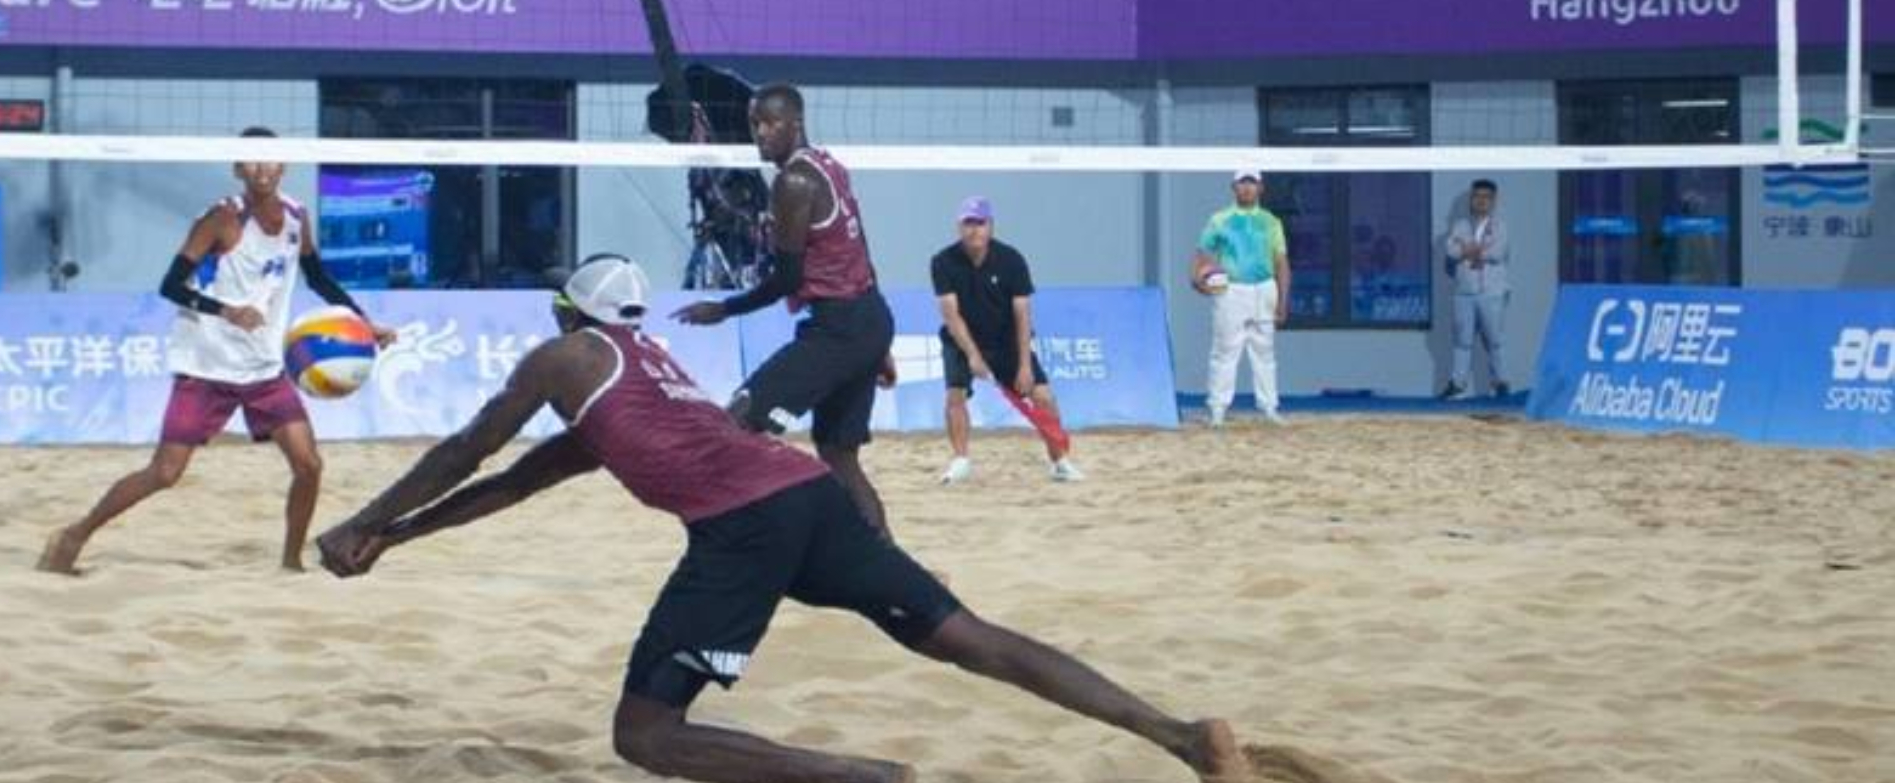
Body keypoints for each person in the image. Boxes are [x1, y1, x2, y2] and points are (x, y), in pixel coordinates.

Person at [313, 255, 1251, 783]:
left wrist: (360, 515)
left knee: (644, 735)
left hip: (747, 526)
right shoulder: (644, 377)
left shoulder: (565, 360)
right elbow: (514, 485)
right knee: (970, 636)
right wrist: (390, 538)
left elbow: (465, 454)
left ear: (568, 311)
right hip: (804, 494)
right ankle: (1182, 737)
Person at [38, 130, 396, 574]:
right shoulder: (221, 218)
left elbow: (318, 278)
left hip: (263, 369)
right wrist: (224, 309)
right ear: (238, 169)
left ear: (283, 167)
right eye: (252, 162)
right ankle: (74, 534)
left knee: (309, 465)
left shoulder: (296, 217)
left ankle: (290, 563)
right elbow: (170, 285)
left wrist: (364, 323)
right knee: (165, 474)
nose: (262, 169)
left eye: (270, 161)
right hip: (206, 367)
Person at [673, 84, 899, 537]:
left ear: (795, 124)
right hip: (867, 318)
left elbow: (787, 281)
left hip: (840, 328)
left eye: (770, 123)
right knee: (838, 455)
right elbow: (860, 249)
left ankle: (744, 540)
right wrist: (880, 343)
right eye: (755, 123)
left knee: (736, 421)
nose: (760, 133)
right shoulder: (829, 165)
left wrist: (725, 309)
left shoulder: (793, 182)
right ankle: (899, 574)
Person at [931, 197, 1081, 485]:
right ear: (958, 227)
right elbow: (951, 316)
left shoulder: (1011, 260)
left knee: (1043, 397)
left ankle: (1059, 461)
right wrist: (973, 355)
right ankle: (961, 461)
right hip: (961, 341)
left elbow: (1023, 315)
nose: (974, 230)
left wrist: (1024, 365)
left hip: (1006, 342)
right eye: (968, 223)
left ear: (991, 226)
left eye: (980, 223)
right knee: (955, 395)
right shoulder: (943, 262)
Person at [1190, 170, 1289, 429]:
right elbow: (1202, 252)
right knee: (1225, 350)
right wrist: (1197, 278)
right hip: (1231, 290)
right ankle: (1218, 409)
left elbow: (1281, 261)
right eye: (1242, 183)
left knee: (1264, 351)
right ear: (1233, 187)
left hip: (1264, 288)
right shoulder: (1220, 220)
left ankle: (1269, 407)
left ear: (1261, 188)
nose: (1247, 188)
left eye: (1252, 183)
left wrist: (1283, 300)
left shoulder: (1271, 222)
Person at [1442, 178, 1509, 400]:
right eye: (1476, 196)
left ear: (1493, 201)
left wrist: (1468, 249)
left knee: (1494, 340)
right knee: (1462, 340)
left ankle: (1500, 382)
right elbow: (1451, 251)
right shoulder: (1460, 225)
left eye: (1485, 197)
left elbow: (1497, 253)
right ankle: (1458, 383)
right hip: (1464, 292)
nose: (1480, 201)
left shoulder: (1500, 226)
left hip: (1491, 292)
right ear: (1471, 199)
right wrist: (1472, 250)